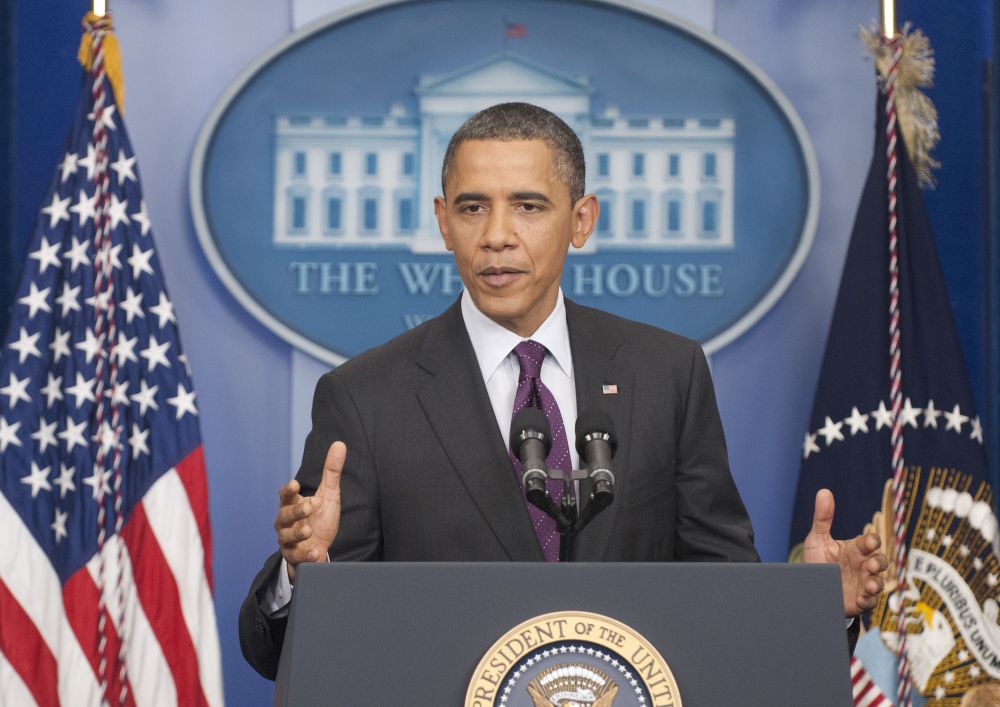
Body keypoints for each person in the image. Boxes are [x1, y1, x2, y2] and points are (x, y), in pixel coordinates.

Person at [239, 102, 886, 680]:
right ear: (442, 222)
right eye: (471, 207)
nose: (496, 234)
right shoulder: (364, 397)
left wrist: (814, 605)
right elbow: (277, 652)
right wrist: (303, 574)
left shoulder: (667, 374)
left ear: (581, 220)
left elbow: (726, 599)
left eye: (527, 205)